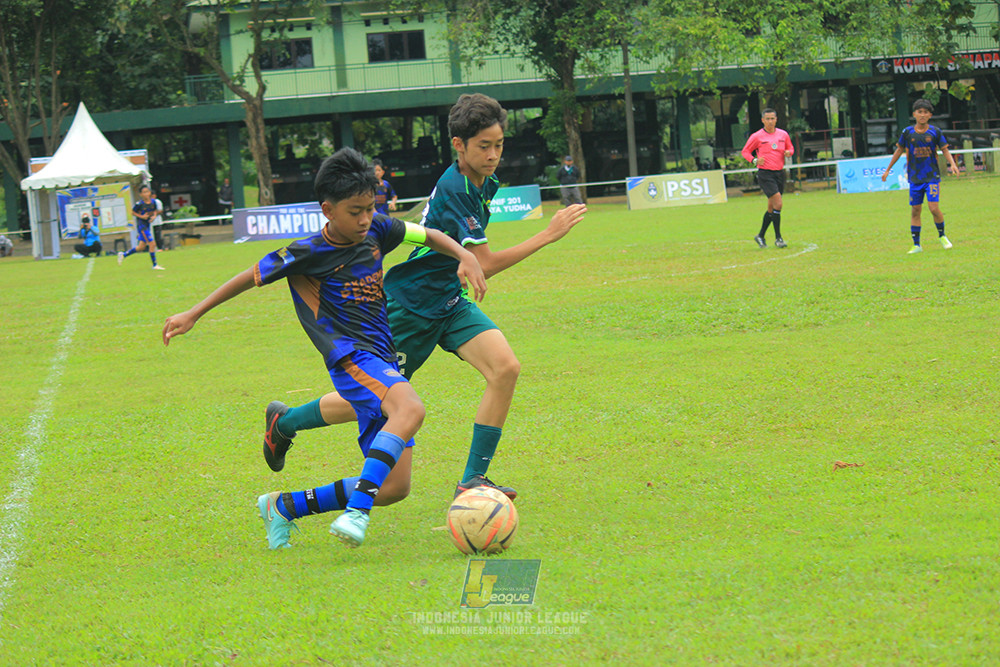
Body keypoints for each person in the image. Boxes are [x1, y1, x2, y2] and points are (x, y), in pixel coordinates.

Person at [261, 93, 587, 502]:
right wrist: (548, 234)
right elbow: (482, 263)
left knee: (505, 368)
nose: (492, 155)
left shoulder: (486, 181)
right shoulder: (455, 189)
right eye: (483, 146)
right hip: (411, 307)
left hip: (448, 301)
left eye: (498, 145)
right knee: (366, 400)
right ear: (459, 145)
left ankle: (472, 480)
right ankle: (286, 423)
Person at [161, 147, 487, 550]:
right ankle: (356, 511)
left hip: (383, 360)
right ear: (327, 210)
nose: (365, 219)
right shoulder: (305, 252)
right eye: (355, 211)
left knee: (396, 487)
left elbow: (428, 235)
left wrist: (462, 253)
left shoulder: (378, 231)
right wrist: (194, 312)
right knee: (411, 409)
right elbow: (248, 277)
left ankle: (282, 506)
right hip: (351, 359)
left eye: (370, 207)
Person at [881, 98, 959, 255]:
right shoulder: (907, 132)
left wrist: (953, 164)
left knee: (933, 208)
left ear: (930, 115)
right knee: (915, 210)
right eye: (919, 112)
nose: (922, 115)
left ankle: (942, 236)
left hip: (932, 177)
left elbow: (944, 149)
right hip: (915, 178)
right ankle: (917, 245)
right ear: (914, 114)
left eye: (925, 112)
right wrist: (888, 168)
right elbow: (899, 150)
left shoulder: (935, 132)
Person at [741, 108, 794, 249]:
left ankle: (760, 236)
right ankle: (778, 238)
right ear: (762, 120)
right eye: (767, 119)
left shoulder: (783, 134)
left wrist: (789, 152)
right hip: (765, 174)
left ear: (776, 119)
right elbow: (745, 151)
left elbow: (790, 148)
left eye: (772, 118)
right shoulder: (757, 136)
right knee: (779, 204)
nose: (770, 121)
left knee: (772, 208)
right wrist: (754, 160)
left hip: (779, 173)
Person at [118, 184, 164, 269]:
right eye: (144, 192)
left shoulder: (153, 202)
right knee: (152, 244)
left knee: (141, 247)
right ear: (141, 194)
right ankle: (155, 265)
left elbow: (155, 211)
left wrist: (153, 217)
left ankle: (123, 254)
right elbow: (133, 212)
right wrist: (141, 216)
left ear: (150, 192)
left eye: (147, 192)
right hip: (142, 227)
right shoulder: (139, 204)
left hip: (147, 225)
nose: (146, 194)